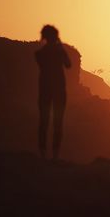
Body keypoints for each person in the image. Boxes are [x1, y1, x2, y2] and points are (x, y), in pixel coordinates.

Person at [35, 25, 71, 160]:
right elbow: (68, 65)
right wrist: (60, 45)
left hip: (44, 91)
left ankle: (42, 154)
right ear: (56, 37)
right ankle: (55, 155)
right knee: (58, 122)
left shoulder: (39, 54)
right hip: (59, 91)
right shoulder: (59, 52)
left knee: (43, 122)